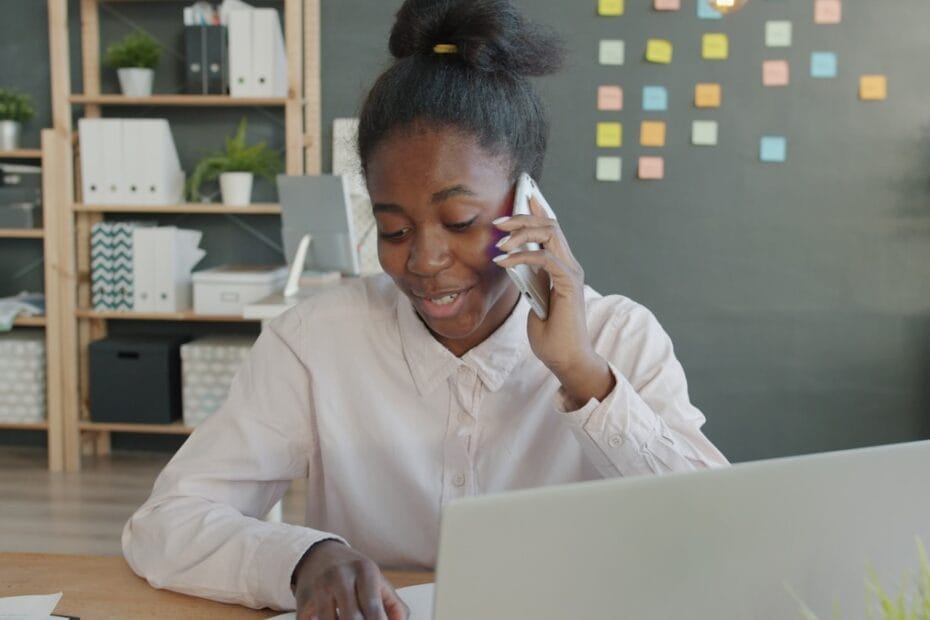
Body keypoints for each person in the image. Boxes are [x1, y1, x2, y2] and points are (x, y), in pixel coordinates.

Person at [122, 0, 728, 618]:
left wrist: (582, 373)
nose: (424, 260)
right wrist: (301, 558)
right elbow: (165, 523)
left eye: (460, 221)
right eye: (394, 229)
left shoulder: (621, 338)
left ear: (529, 206)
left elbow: (719, 532)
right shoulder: (314, 342)